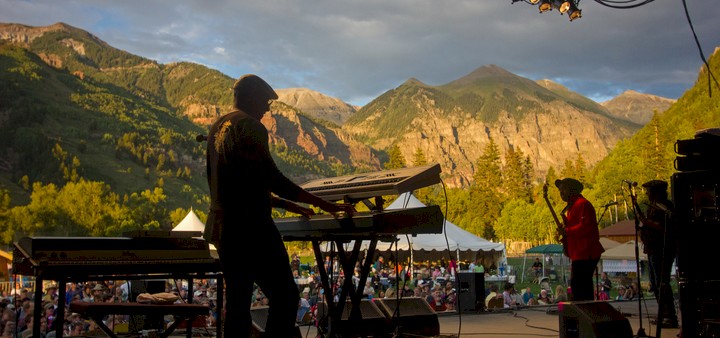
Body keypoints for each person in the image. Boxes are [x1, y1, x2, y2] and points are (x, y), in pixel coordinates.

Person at [203, 74, 355, 337]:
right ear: (251, 98)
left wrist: (291, 207)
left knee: (238, 304)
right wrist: (327, 205)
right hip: (251, 230)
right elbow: (274, 179)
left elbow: (242, 186)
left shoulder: (218, 126)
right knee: (285, 296)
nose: (267, 109)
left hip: (222, 228)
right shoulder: (250, 126)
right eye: (265, 102)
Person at [635, 180, 679, 328]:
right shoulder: (654, 207)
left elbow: (661, 226)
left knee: (662, 283)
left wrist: (645, 222)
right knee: (655, 284)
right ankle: (663, 315)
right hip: (653, 248)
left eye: (648, 191)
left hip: (662, 249)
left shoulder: (664, 206)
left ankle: (670, 316)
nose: (646, 194)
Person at [555, 178, 605, 301]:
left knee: (580, 287)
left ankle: (586, 312)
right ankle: (584, 312)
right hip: (579, 252)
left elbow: (585, 227)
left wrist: (567, 231)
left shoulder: (582, 204)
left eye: (563, 189)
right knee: (578, 286)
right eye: (560, 190)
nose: (561, 193)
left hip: (586, 251)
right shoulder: (571, 208)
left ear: (572, 190)